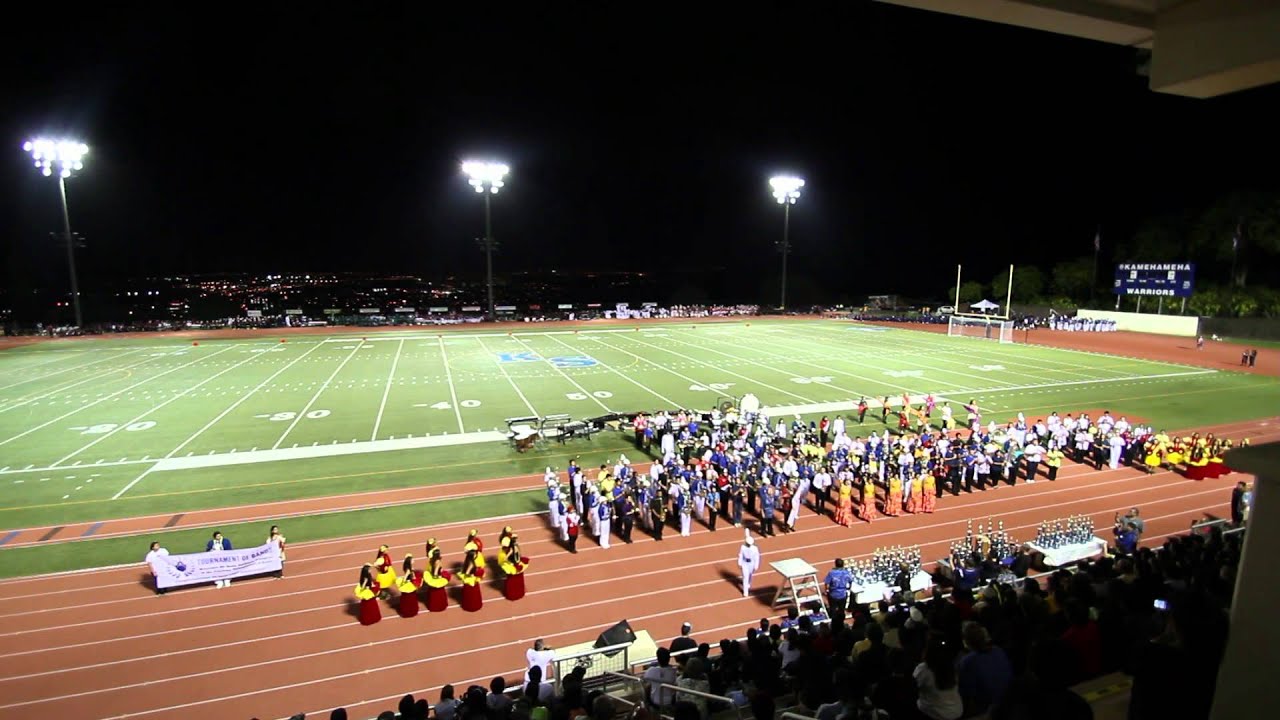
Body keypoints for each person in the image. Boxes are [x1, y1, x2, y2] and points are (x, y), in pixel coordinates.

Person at [957, 622, 1012, 717]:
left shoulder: (967, 661)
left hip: (988, 707)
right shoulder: (998, 650)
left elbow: (965, 691)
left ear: (966, 641)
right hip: (1008, 700)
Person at [914, 636, 962, 720]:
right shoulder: (952, 667)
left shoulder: (923, 669)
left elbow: (913, 686)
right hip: (956, 711)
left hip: (936, 714)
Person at [501, 534, 530, 601]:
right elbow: (516, 553)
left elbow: (512, 553)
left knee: (513, 578)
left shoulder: (513, 546)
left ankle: (514, 593)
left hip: (514, 562)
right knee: (516, 577)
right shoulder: (515, 545)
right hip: (516, 562)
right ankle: (517, 592)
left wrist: (505, 558)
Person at [423, 548, 451, 612]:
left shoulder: (431, 561)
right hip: (437, 578)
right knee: (438, 594)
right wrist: (439, 576)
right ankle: (439, 606)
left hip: (431, 576)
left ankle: (433, 606)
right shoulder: (437, 562)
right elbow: (435, 573)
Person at [737, 532, 760, 598]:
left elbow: (757, 557)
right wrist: (740, 563)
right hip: (745, 563)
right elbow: (740, 555)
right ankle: (745, 592)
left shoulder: (755, 548)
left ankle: (748, 584)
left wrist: (756, 565)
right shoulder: (743, 547)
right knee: (745, 576)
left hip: (751, 563)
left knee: (750, 575)